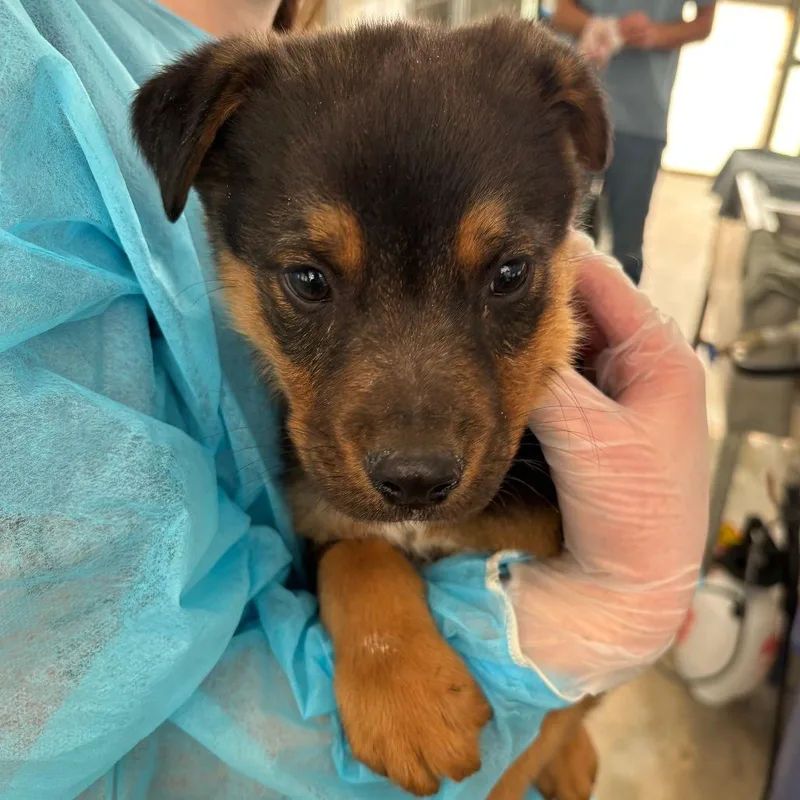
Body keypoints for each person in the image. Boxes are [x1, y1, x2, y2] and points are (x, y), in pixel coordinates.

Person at [0, 1, 708, 797]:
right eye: (310, 281)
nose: (416, 449)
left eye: (506, 276)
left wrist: (571, 708)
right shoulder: (36, 99)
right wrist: (589, 613)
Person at [551, 0, 716, 284]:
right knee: (561, 237)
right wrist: (601, 27)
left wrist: (655, 35)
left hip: (643, 118)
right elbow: (560, 10)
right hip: (576, 110)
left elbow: (704, 23)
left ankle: (619, 326)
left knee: (627, 249)